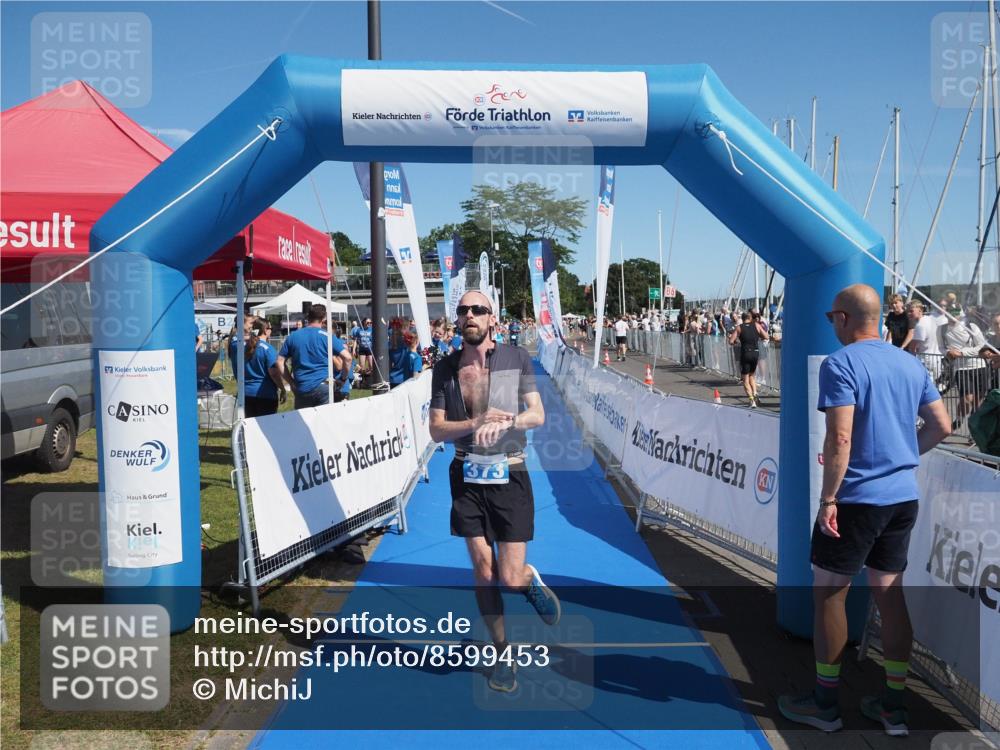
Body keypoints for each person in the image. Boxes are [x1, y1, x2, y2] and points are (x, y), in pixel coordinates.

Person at [779, 284, 951, 736]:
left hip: (856, 499)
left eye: (830, 318)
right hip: (901, 497)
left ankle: (825, 704)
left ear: (842, 318)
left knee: (828, 594)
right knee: (889, 595)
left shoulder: (841, 364)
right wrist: (901, 457)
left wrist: (828, 499)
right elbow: (942, 425)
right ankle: (894, 706)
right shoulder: (909, 363)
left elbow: (840, 438)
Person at [428, 290, 558, 694]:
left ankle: (527, 581)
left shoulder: (514, 358)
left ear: (492, 319)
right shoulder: (446, 368)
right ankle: (503, 654)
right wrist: (476, 421)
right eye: (463, 310)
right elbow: (436, 429)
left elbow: (537, 414)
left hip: (510, 472)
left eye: (477, 310)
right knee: (484, 574)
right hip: (466, 475)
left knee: (509, 577)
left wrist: (507, 422)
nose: (469, 315)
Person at [276, 304, 353, 408]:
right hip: (323, 386)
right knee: (324, 418)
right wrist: (343, 379)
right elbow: (348, 358)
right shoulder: (327, 336)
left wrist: (291, 383)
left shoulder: (293, 336)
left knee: (304, 418)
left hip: (302, 387)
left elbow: (279, 362)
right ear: (324, 318)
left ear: (308, 317)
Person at [938, 309, 989, 429]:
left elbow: (981, 345)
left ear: (960, 314)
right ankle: (959, 419)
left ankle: (975, 427)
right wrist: (948, 352)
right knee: (967, 398)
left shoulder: (971, 326)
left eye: (956, 313)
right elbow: (941, 347)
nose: (953, 316)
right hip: (961, 368)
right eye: (950, 313)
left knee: (978, 401)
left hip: (979, 365)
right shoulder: (942, 329)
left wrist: (962, 352)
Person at [241, 319, 286, 417]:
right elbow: (274, 373)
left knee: (250, 424)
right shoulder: (268, 349)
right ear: (265, 330)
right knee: (266, 425)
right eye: (271, 328)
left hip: (246, 393)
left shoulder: (244, 348)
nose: (271, 331)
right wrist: (282, 389)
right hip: (265, 394)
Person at [728, 311, 768, 408]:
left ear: (742, 319)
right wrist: (758, 337)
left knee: (745, 379)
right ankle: (755, 393)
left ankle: (751, 400)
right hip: (755, 352)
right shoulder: (757, 325)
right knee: (752, 376)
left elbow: (731, 341)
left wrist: (737, 342)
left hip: (745, 353)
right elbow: (766, 336)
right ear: (750, 318)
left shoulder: (739, 327)